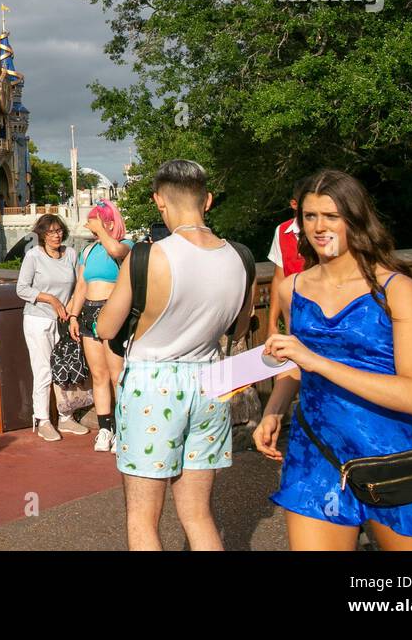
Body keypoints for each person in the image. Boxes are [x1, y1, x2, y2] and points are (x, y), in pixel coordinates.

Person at [255, 170, 412, 550]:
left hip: (390, 454)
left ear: (356, 219)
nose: (319, 227)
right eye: (310, 216)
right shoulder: (290, 289)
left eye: (331, 216)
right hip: (316, 454)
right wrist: (275, 409)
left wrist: (316, 361)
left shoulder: (395, 289)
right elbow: (295, 364)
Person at [95, 160, 255, 550]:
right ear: (208, 201)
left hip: (153, 384)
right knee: (199, 514)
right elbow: (240, 326)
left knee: (143, 519)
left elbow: (106, 328)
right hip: (210, 382)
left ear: (158, 201)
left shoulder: (149, 257)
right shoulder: (241, 258)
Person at [66, 202, 134, 453]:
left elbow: (117, 250)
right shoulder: (89, 250)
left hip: (113, 311)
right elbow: (81, 285)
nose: (91, 226)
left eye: (96, 221)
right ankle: (106, 427)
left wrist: (104, 229)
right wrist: (73, 314)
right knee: (99, 375)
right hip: (89, 313)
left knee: (117, 374)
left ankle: (124, 427)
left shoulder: (127, 245)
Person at [16, 214, 88, 441]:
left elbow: (79, 285)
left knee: (65, 368)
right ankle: (43, 419)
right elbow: (22, 289)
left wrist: (70, 307)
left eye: (58, 231)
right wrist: (50, 299)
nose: (55, 235)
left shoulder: (71, 255)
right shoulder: (33, 256)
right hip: (39, 320)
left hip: (64, 321)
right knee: (43, 370)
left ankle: (66, 416)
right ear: (42, 235)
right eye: (50, 232)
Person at [266, 180, 309, 339]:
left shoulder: (327, 234)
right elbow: (279, 278)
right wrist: (272, 324)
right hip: (294, 319)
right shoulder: (282, 231)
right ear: (294, 204)